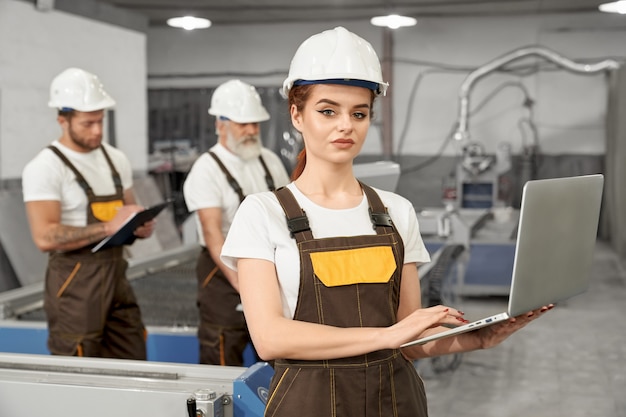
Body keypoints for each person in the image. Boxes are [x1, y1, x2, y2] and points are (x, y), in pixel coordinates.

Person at [221, 26, 553, 416]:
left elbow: (410, 341)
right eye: (328, 110)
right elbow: (270, 338)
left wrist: (476, 338)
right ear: (297, 114)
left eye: (358, 113)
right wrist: (389, 335)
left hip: (395, 402)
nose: (346, 125)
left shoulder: (395, 212)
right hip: (308, 403)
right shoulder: (263, 213)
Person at [22, 67, 154, 359]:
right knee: (78, 364)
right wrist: (108, 227)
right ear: (62, 120)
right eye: (87, 123)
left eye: (100, 121)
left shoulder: (115, 158)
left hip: (117, 275)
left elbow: (127, 212)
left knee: (133, 357)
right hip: (74, 286)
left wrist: (139, 225)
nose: (96, 130)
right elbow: (45, 236)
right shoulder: (45, 167)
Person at [183, 79, 290, 366]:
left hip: (271, 266)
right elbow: (212, 233)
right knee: (222, 349)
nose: (252, 130)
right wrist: (245, 286)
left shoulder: (269, 161)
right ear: (221, 124)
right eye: (243, 124)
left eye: (255, 123)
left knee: (277, 356)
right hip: (223, 275)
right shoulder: (207, 169)